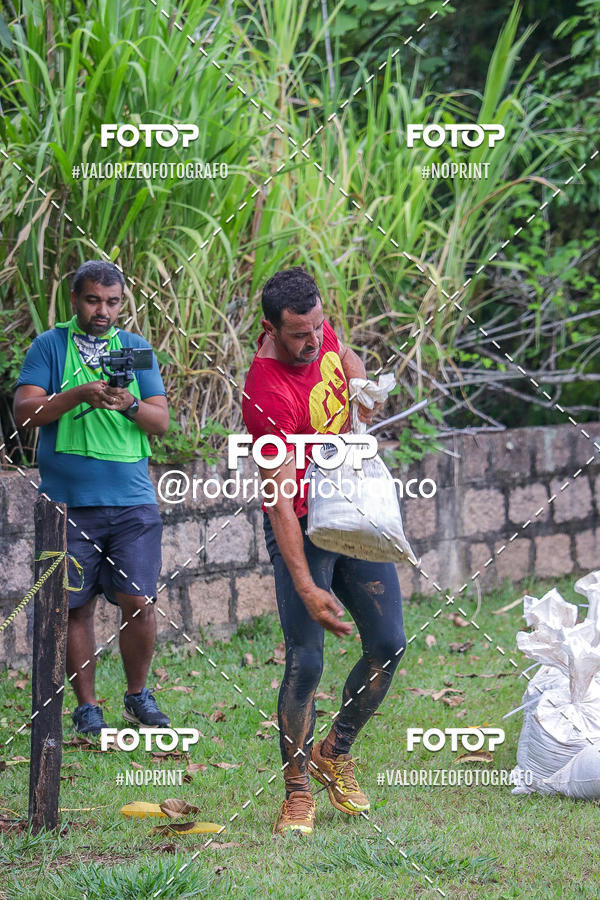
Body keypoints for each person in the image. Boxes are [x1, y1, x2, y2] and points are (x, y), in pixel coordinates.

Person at [242, 267, 406, 835]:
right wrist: (308, 587)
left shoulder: (313, 324)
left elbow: (347, 356)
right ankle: (295, 790)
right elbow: (280, 504)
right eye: (299, 336)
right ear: (270, 330)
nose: (313, 341)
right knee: (306, 659)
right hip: (304, 525)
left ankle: (334, 751)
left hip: (349, 510)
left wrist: (361, 394)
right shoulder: (265, 395)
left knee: (388, 643)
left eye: (317, 327)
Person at [14, 260, 171, 736]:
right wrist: (78, 393)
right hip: (66, 502)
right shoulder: (50, 345)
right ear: (75, 299)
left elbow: (160, 421)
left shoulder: (137, 349)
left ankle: (136, 694)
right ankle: (87, 707)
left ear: (122, 303)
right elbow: (25, 411)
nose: (103, 310)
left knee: (139, 601)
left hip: (132, 501)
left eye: (112, 301)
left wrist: (131, 405)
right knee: (73, 608)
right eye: (92, 300)